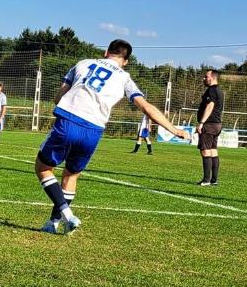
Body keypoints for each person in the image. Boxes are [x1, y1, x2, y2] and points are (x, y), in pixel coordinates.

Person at [35, 40, 190, 235]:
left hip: (69, 120)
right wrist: (174, 129)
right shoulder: (125, 78)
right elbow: (146, 107)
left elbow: (59, 96)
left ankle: (67, 213)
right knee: (71, 175)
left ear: (106, 52)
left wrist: (61, 101)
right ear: (126, 61)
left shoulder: (83, 63)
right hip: (94, 129)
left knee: (42, 168)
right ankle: (54, 223)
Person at [195, 69, 225, 186]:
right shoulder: (219, 90)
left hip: (209, 124)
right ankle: (214, 179)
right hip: (217, 124)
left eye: (206, 76)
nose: (204, 78)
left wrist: (202, 122)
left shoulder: (212, 90)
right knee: (213, 151)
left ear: (212, 77)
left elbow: (210, 106)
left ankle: (206, 180)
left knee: (205, 151)